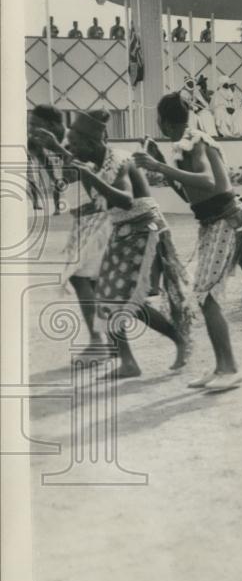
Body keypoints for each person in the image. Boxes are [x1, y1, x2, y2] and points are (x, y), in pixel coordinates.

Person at [35, 110, 195, 379]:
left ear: (90, 144)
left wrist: (88, 175)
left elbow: (125, 200)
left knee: (127, 298)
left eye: (73, 145)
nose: (69, 149)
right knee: (108, 297)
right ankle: (129, 363)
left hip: (145, 228)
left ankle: (180, 339)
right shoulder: (93, 160)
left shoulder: (119, 160)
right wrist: (55, 149)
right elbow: (76, 165)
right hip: (122, 229)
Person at [133, 93, 242, 390]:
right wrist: (161, 163)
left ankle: (230, 367)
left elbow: (210, 182)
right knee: (205, 297)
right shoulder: (187, 144)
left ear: (163, 120)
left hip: (226, 222)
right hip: (214, 223)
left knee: (207, 297)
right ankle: (222, 365)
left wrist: (160, 168)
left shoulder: (195, 140)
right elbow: (190, 195)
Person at [29, 107, 110, 352]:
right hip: (81, 218)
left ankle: (98, 341)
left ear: (52, 124)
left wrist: (56, 149)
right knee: (91, 282)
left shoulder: (75, 139)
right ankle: (105, 339)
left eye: (35, 124)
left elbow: (91, 170)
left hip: (97, 216)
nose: (31, 129)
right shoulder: (49, 144)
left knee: (79, 276)